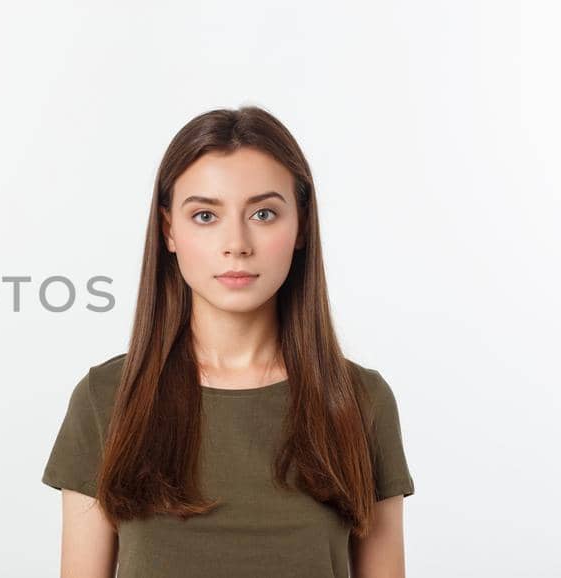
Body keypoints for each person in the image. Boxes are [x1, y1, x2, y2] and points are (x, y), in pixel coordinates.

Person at [40, 106, 414, 578]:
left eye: (263, 213)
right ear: (169, 230)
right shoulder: (106, 399)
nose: (236, 242)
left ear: (300, 226)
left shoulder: (359, 402)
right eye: (204, 215)